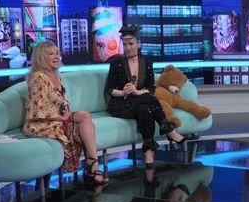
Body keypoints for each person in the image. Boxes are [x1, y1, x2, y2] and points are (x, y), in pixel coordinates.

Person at [104, 25, 188, 168]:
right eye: (125, 44)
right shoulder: (116, 63)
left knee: (144, 109)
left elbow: (151, 88)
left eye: (131, 44)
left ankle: (148, 152)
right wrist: (123, 92)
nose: (128, 48)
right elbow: (109, 89)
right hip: (120, 104)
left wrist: (137, 92)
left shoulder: (146, 63)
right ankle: (169, 130)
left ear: (138, 44)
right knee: (148, 100)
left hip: (140, 102)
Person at [24, 42, 105, 184]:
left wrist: (65, 114)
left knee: (86, 119)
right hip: (41, 124)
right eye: (51, 54)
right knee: (84, 118)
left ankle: (92, 163)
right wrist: (62, 118)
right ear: (41, 58)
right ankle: (92, 165)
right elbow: (35, 111)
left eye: (57, 53)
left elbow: (60, 103)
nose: (56, 56)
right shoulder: (38, 78)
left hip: (57, 119)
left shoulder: (56, 75)